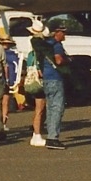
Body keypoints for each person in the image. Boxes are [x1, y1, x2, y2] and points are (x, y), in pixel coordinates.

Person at [30, 20, 69, 150]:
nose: (64, 35)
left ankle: (50, 135)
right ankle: (53, 137)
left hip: (46, 78)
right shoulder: (57, 45)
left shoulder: (44, 45)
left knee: (50, 108)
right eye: (63, 32)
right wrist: (67, 61)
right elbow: (58, 59)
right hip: (56, 78)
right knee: (57, 108)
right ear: (56, 33)